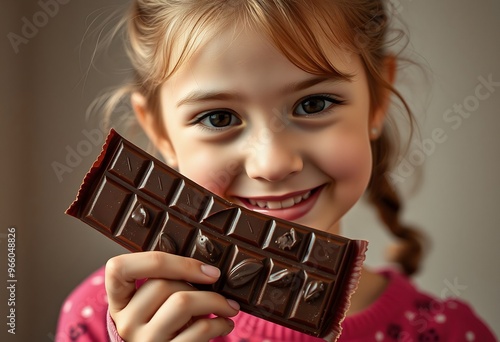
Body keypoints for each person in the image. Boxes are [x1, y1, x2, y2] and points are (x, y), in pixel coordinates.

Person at [56, 0, 497, 341]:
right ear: (162, 133)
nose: (272, 163)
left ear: (377, 100)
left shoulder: (451, 332)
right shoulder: (101, 319)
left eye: (313, 104)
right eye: (218, 118)